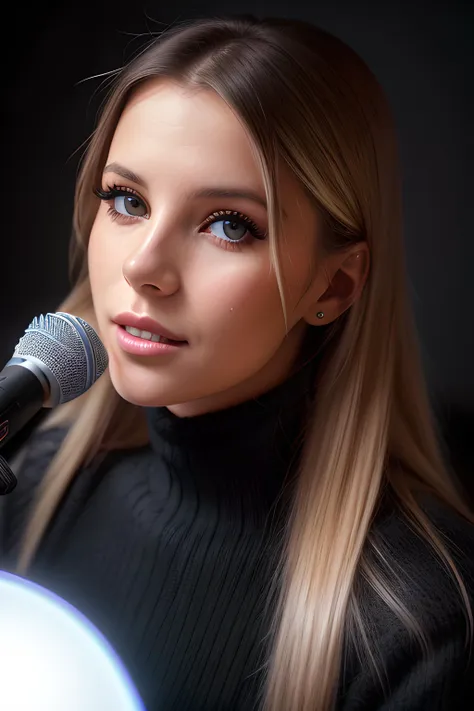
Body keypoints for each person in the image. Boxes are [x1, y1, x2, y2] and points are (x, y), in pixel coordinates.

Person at [1, 14, 473, 711]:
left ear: (333, 286)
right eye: (127, 200)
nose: (144, 266)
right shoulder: (35, 489)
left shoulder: (420, 628)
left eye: (228, 224)